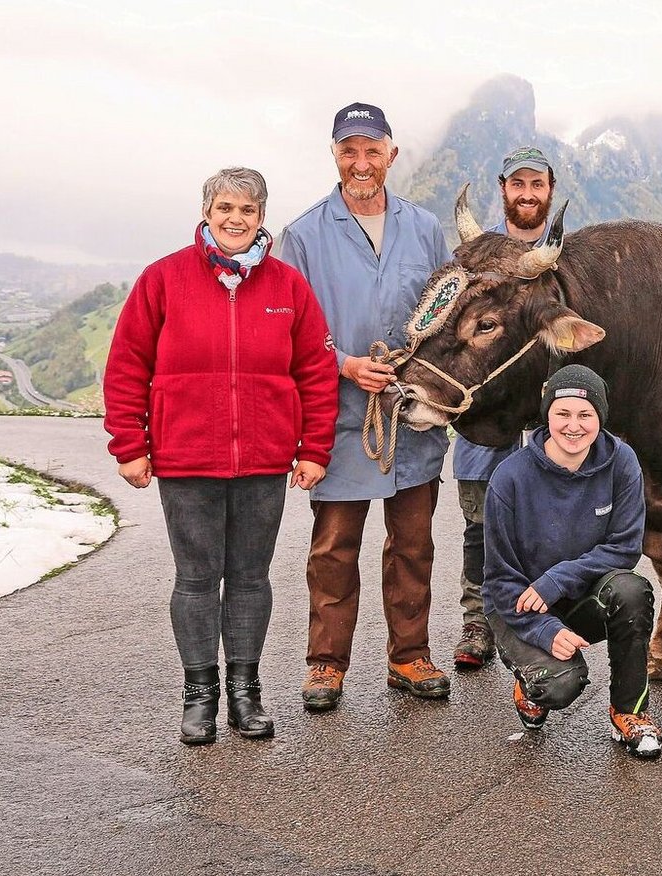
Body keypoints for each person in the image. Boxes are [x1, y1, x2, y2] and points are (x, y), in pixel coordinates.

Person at [104, 167, 338, 745]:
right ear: (206, 211)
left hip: (263, 460)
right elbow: (127, 365)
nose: (236, 219)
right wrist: (130, 445)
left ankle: (245, 693)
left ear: (263, 217)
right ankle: (199, 695)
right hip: (186, 460)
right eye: (225, 208)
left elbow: (315, 372)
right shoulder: (163, 279)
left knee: (251, 579)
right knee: (195, 580)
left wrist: (314, 449)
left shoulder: (287, 287)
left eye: (248, 210)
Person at [277, 102, 454, 711]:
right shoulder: (302, 235)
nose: (361, 163)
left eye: (371, 150)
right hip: (341, 414)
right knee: (334, 547)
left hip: (410, 416)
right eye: (349, 151)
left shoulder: (426, 229)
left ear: (391, 155)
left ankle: (409, 656)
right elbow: (292, 329)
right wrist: (344, 364)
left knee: (413, 544)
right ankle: (325, 664)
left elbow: (444, 316)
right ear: (334, 154)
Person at [482, 365, 662, 759]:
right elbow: (499, 578)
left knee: (631, 591)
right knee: (560, 684)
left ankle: (629, 712)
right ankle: (532, 682)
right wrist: (543, 630)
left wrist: (557, 580)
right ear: (547, 415)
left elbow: (625, 547)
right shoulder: (509, 478)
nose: (574, 426)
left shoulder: (621, 462)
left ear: (600, 417)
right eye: (563, 413)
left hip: (579, 596)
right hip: (520, 604)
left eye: (586, 415)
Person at [451, 145, 556, 670]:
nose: (528, 194)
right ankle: (477, 620)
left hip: (544, 428)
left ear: (550, 190)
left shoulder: (567, 262)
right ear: (504, 190)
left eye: (536, 184)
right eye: (519, 184)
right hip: (484, 420)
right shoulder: (479, 257)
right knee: (480, 525)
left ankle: (532, 619)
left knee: (542, 526)